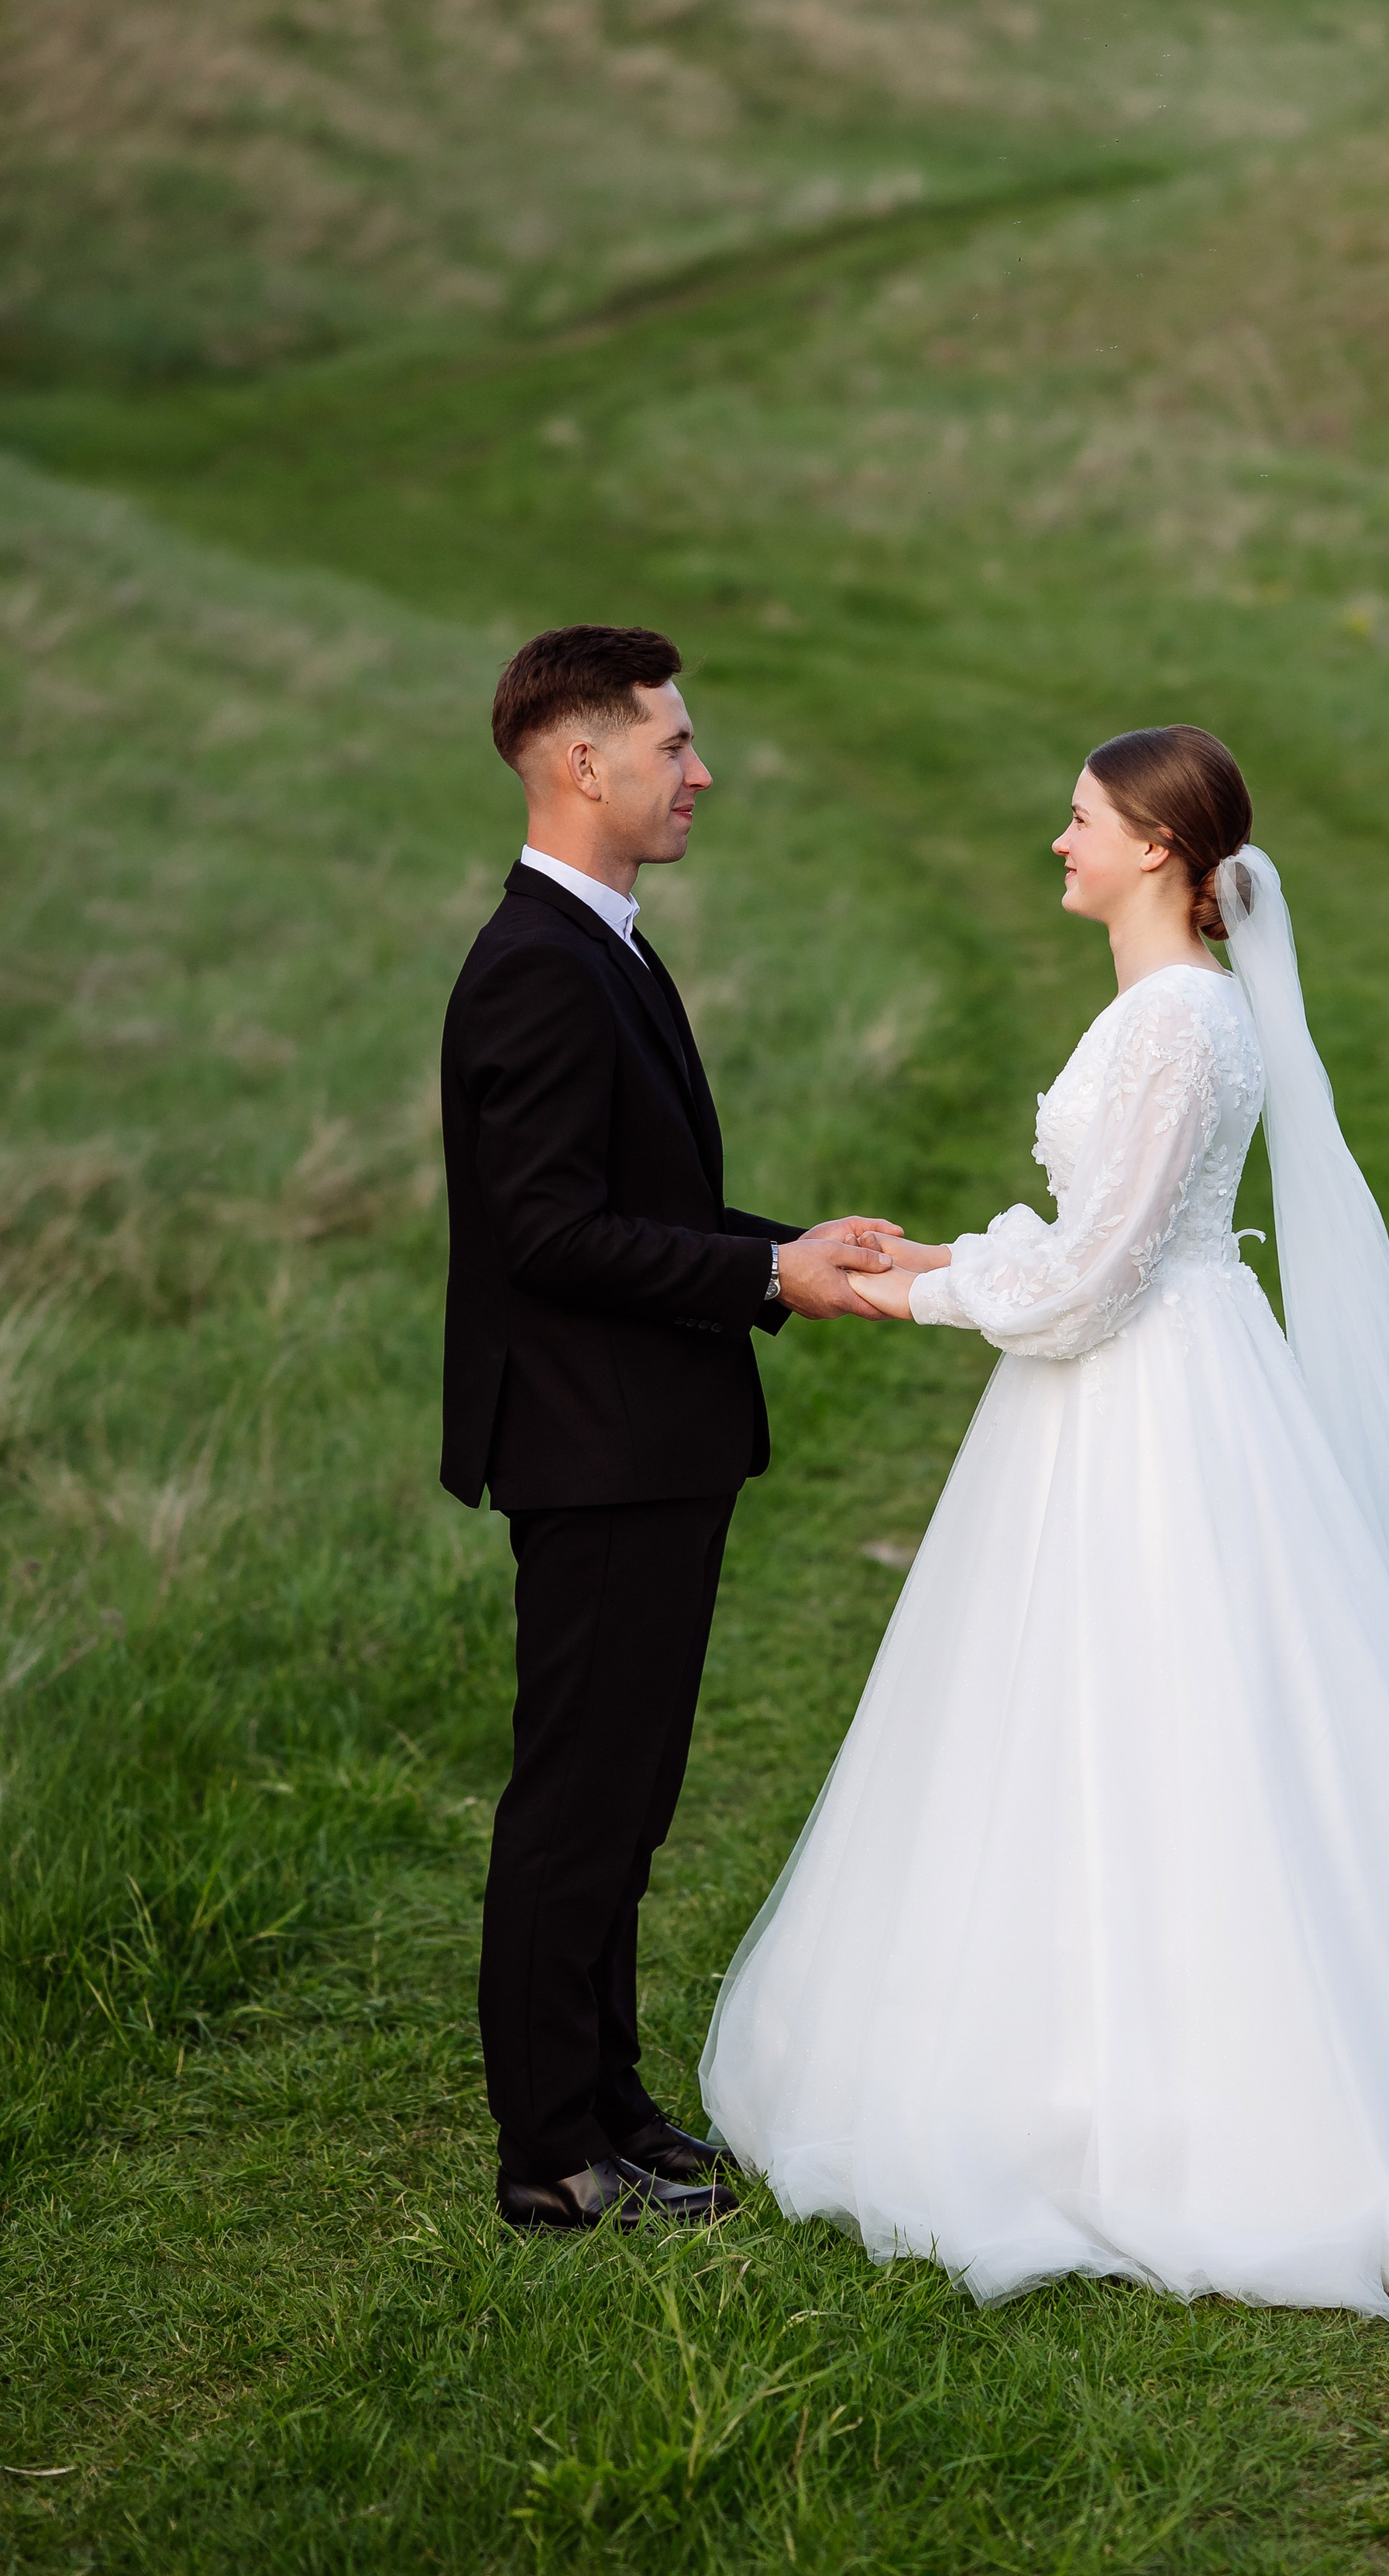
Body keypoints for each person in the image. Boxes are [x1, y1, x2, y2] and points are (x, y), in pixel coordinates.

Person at [702, 725, 1389, 2313]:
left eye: (1079, 820)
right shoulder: (1164, 1009)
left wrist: (912, 1298)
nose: (1057, 842)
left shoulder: (1178, 1022)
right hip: (1144, 1373)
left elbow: (1092, 1278)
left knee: (1172, 1714)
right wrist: (937, 1260)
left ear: (1158, 853)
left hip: (1148, 1401)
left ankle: (1224, 2108)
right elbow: (1092, 1235)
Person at [441, 624, 901, 2234]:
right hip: (592, 1443)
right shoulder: (534, 968)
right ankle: (549, 2153)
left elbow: (642, 1208)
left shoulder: (603, 944)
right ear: (583, 761)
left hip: (645, 1432)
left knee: (627, 1797)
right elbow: (547, 1232)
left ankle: (609, 2099)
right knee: (577, 1795)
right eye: (673, 744)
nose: (699, 771)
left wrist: (790, 1250)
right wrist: (761, 1270)